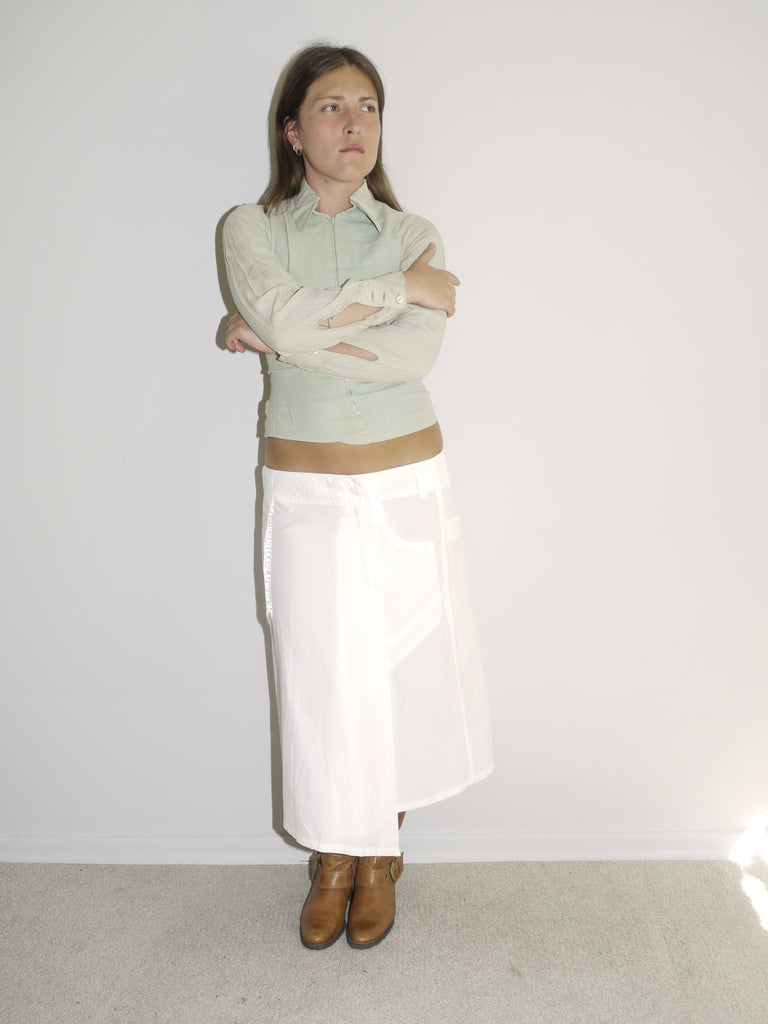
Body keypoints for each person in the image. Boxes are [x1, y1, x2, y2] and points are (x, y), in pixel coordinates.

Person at [221, 43, 493, 950]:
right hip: (304, 484)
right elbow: (295, 314)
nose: (354, 124)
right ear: (293, 130)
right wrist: (391, 295)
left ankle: (380, 858)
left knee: (401, 668)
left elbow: (412, 357)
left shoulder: (414, 233)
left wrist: (279, 333)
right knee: (318, 671)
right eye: (332, 107)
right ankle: (334, 853)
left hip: (407, 474)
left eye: (369, 107)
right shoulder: (250, 230)